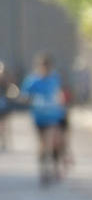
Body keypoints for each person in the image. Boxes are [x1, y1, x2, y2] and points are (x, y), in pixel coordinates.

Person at [19, 53, 67, 183]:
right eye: (43, 66)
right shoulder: (32, 81)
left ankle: (54, 168)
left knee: (52, 141)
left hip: (53, 115)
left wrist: (62, 107)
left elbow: (60, 94)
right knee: (43, 144)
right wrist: (32, 99)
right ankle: (43, 169)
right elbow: (24, 96)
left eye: (47, 66)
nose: (45, 69)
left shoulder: (55, 78)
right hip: (39, 117)